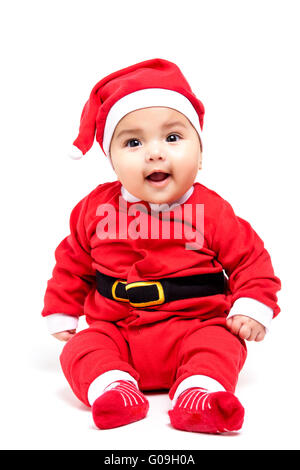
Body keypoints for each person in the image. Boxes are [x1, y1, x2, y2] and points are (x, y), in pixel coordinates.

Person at [42, 58, 281, 433]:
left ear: (199, 155)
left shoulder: (212, 211)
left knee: (222, 344)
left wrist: (251, 306)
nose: (155, 153)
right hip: (117, 329)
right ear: (112, 159)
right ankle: (113, 387)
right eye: (133, 142)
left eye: (173, 138)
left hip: (194, 325)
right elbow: (72, 261)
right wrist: (62, 308)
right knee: (81, 348)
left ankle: (199, 392)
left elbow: (251, 261)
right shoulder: (94, 209)